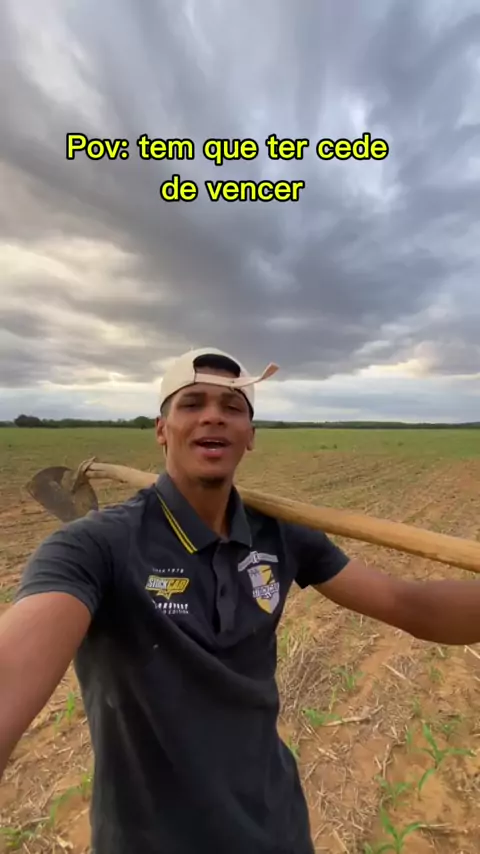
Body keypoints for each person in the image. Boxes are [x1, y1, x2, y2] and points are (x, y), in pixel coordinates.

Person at [2, 347, 480, 854]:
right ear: (162, 429)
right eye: (192, 403)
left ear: (249, 435)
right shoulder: (95, 547)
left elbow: (410, 605)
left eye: (232, 407)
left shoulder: (282, 535)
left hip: (277, 830)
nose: (213, 415)